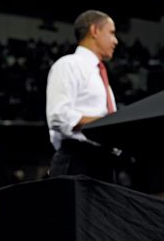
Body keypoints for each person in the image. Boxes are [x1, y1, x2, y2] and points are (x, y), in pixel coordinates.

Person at [46, 9, 120, 183]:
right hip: (77, 160)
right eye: (111, 33)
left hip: (105, 163)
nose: (116, 41)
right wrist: (106, 125)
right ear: (94, 30)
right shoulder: (68, 65)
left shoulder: (101, 77)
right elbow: (58, 116)